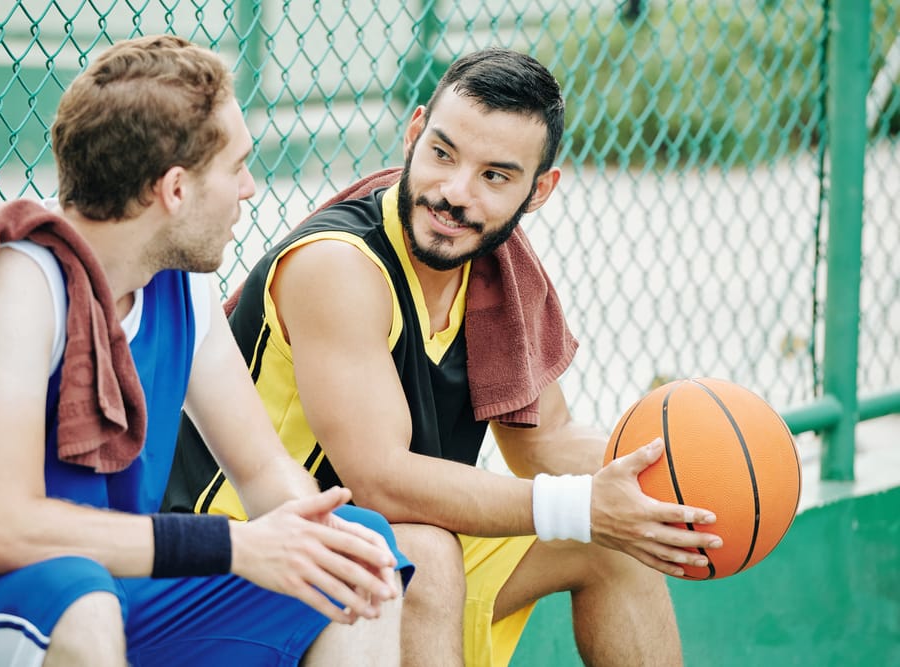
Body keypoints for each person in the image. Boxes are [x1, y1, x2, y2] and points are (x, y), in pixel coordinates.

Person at [165, 48, 721, 666]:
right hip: (253, 547)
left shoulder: (497, 266)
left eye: (495, 176)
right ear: (414, 132)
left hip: (384, 539)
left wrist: (678, 482)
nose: (454, 194)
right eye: (442, 154)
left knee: (612, 545)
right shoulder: (337, 265)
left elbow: (545, 444)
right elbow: (380, 481)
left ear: (538, 191)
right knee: (422, 555)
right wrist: (581, 505)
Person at [0, 35, 413, 667]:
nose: (249, 188)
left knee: (359, 553)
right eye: (237, 166)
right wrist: (235, 546)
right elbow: (8, 530)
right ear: (174, 189)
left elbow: (260, 472)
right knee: (81, 601)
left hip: (122, 588)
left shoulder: (178, 285)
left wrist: (309, 534)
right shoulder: (26, 284)